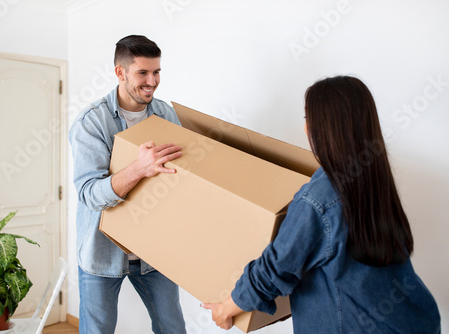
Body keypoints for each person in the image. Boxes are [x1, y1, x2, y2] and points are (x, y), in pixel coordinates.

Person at [202, 76, 441, 333]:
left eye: (308, 119)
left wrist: (227, 307)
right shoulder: (374, 179)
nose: (305, 128)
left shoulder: (319, 199)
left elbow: (275, 266)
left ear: (321, 128)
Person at [69, 35, 186, 334]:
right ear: (120, 72)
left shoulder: (166, 114)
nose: (152, 81)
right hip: (102, 253)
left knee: (173, 328)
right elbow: (90, 195)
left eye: (157, 72)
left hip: (154, 251)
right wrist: (138, 168)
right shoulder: (91, 123)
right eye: (143, 73)